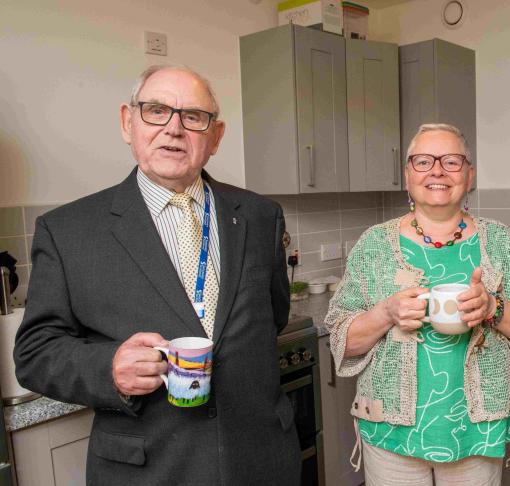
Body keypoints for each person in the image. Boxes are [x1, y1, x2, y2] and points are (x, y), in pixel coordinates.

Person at [14, 65, 300, 485]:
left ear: (216, 136)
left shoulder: (261, 216)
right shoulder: (68, 231)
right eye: (156, 110)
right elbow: (35, 353)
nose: (174, 129)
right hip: (148, 469)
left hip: (260, 458)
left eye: (193, 117)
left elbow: (272, 317)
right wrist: (108, 367)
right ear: (128, 123)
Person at [325, 123, 510, 486]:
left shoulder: (499, 242)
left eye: (452, 161)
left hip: (477, 433)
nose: (438, 171)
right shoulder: (373, 245)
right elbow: (340, 338)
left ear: (470, 174)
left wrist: (493, 308)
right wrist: (385, 314)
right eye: (424, 161)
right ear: (408, 174)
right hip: (390, 434)